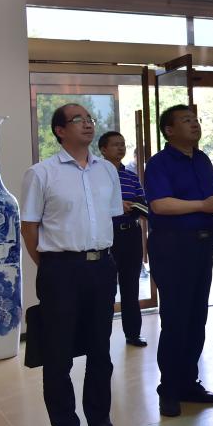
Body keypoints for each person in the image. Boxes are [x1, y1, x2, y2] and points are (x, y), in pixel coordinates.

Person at [20, 104, 126, 426]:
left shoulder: (106, 170)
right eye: (79, 119)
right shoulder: (41, 173)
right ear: (60, 130)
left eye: (90, 119)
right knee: (58, 353)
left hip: (101, 267)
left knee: (100, 350)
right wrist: (52, 265)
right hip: (60, 270)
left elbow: (111, 216)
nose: (88, 123)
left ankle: (100, 422)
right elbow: (30, 227)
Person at [143, 105, 213, 418]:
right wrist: (203, 205)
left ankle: (189, 383)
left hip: (202, 246)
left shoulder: (202, 159)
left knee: (196, 317)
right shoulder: (159, 163)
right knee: (176, 319)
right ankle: (169, 389)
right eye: (186, 120)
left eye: (196, 119)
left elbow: (212, 198)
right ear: (169, 130)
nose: (194, 124)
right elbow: (160, 205)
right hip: (173, 247)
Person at [98, 131, 148, 347]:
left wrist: (137, 206)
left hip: (131, 234)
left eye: (123, 144)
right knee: (106, 288)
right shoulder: (96, 176)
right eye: (115, 145)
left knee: (131, 286)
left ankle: (133, 333)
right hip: (108, 235)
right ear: (103, 150)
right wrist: (118, 206)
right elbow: (94, 205)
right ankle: (101, 338)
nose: (121, 148)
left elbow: (142, 201)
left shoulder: (131, 176)